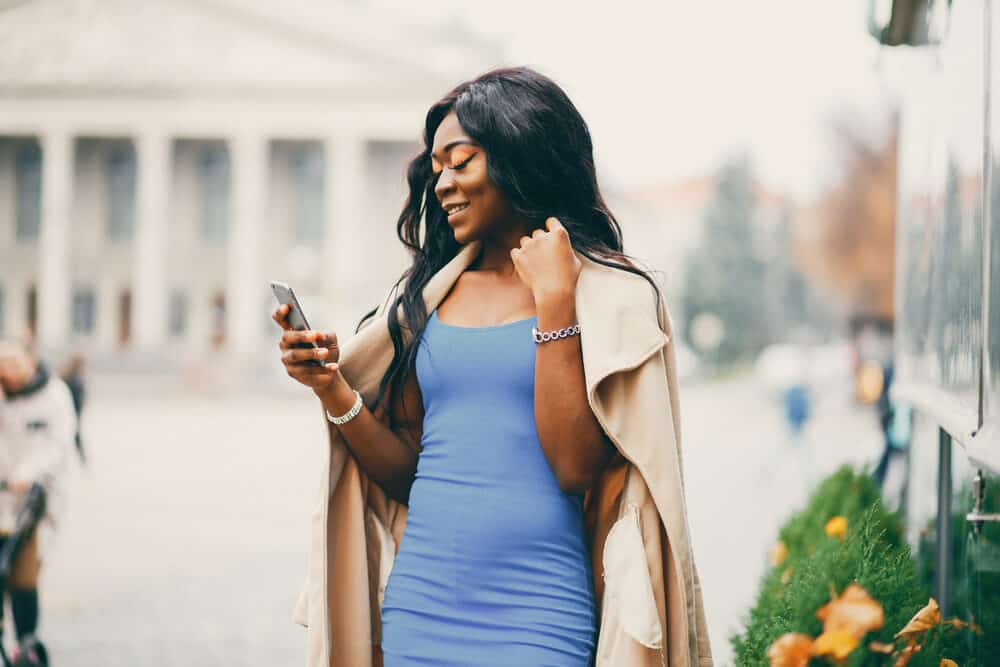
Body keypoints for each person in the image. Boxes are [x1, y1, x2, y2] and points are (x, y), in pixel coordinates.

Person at [275, 66, 712, 666]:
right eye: (437, 170)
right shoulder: (423, 299)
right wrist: (332, 389)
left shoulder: (611, 297)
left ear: (519, 154)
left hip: (540, 615)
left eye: (462, 161)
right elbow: (409, 472)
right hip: (421, 611)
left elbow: (574, 467)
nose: (444, 184)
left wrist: (555, 302)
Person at [0, 339, 76, 665]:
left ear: (30, 360)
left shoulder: (53, 395)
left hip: (31, 501)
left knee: (21, 572)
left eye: (13, 362)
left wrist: (28, 474)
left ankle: (26, 640)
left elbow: (58, 444)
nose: (8, 370)